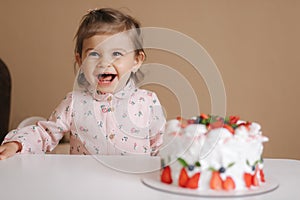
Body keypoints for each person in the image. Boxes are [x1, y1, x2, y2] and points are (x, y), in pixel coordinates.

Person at [0, 8, 165, 160]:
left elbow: (161, 145)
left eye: (116, 53)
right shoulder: (74, 103)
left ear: (137, 61)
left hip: (133, 185)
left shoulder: (148, 102)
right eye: (94, 54)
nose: (104, 62)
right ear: (80, 61)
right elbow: (45, 133)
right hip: (83, 182)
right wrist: (17, 144)